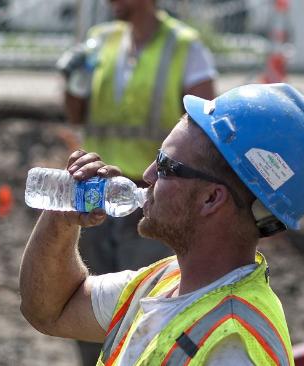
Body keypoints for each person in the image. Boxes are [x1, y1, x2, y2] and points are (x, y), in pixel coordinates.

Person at [20, 83, 304, 365]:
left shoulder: (231, 345)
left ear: (211, 198)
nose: (147, 174)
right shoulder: (166, 280)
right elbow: (51, 309)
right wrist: (62, 216)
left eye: (165, 166)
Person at [57, 1, 217, 361]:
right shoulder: (100, 41)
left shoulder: (184, 47)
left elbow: (206, 134)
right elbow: (74, 112)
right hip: (96, 195)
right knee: (85, 299)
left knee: (144, 307)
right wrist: (75, 79)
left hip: (150, 200)